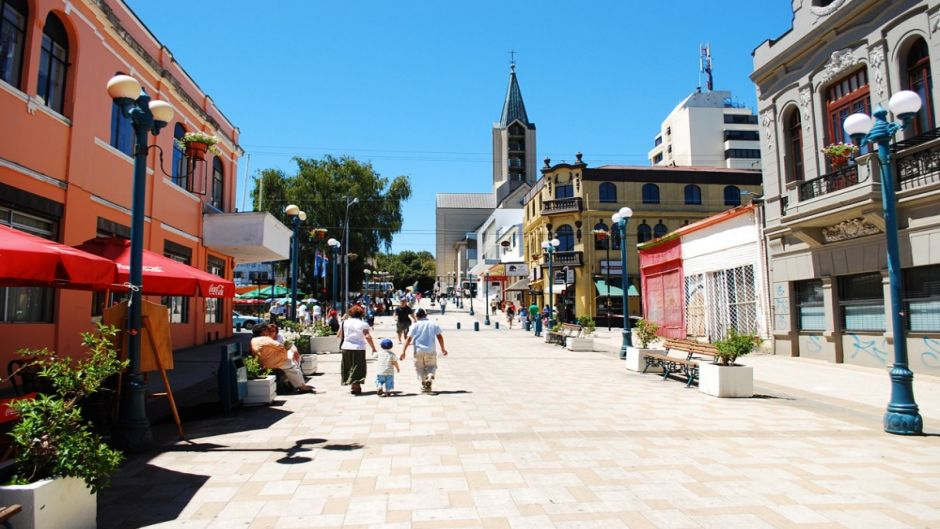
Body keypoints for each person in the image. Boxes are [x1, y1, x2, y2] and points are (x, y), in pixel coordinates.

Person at [250, 323, 314, 393]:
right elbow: (280, 346)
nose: (269, 332)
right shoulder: (265, 339)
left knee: (290, 362)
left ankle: (292, 383)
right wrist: (288, 346)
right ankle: (302, 386)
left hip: (262, 362)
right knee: (292, 367)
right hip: (274, 362)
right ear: (263, 331)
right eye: (267, 330)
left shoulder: (253, 340)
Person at [400, 308, 448, 394]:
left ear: (416, 316)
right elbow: (439, 336)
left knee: (420, 368)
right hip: (431, 350)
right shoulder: (433, 324)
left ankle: (423, 384)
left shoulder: (414, 325)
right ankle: (429, 376)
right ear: (426, 315)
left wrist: (403, 351)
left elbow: (408, 339)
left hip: (418, 351)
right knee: (432, 366)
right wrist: (443, 348)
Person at [337, 305, 377, 394]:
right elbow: (367, 336)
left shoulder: (344, 323)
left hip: (346, 347)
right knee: (358, 367)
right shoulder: (363, 324)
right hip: (358, 348)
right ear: (361, 314)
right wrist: (373, 348)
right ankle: (356, 385)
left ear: (350, 313)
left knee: (348, 366)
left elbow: (339, 335)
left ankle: (352, 384)